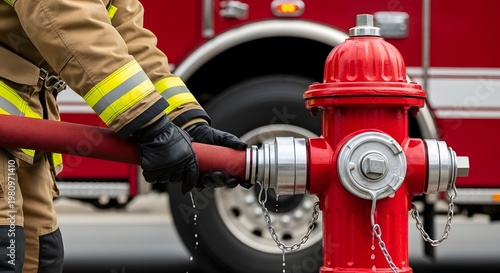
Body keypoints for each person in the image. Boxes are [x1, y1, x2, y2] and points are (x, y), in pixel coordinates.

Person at [0, 0, 248, 272]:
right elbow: (67, 19)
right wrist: (151, 126)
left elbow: (127, 39)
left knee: (38, 254)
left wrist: (186, 121)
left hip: (20, 129)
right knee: (8, 250)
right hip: (11, 126)